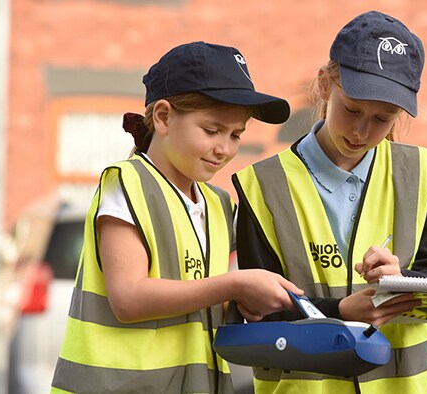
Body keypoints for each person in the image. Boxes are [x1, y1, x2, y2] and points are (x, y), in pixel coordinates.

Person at [50, 41, 304, 394]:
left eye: (235, 135)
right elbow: (129, 298)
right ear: (164, 117)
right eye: (212, 131)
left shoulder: (217, 204)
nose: (225, 149)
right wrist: (234, 285)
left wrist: (243, 303)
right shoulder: (127, 183)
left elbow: (195, 294)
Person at [233, 11, 427, 394]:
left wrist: (400, 279)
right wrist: (338, 314)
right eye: (351, 109)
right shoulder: (261, 185)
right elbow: (255, 315)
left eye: (382, 119)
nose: (361, 131)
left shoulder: (423, 172)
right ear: (324, 84)